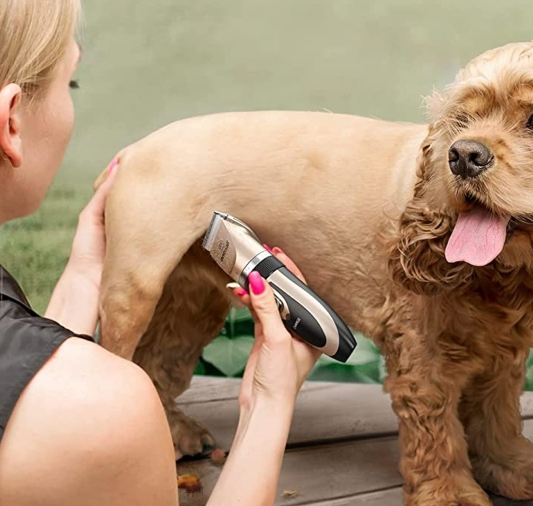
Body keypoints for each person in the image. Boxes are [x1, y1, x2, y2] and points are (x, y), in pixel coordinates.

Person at [0, 1, 321, 505]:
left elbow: (23, 376)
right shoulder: (109, 409)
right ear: (11, 123)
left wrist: (85, 274)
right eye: (71, 83)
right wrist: (270, 400)